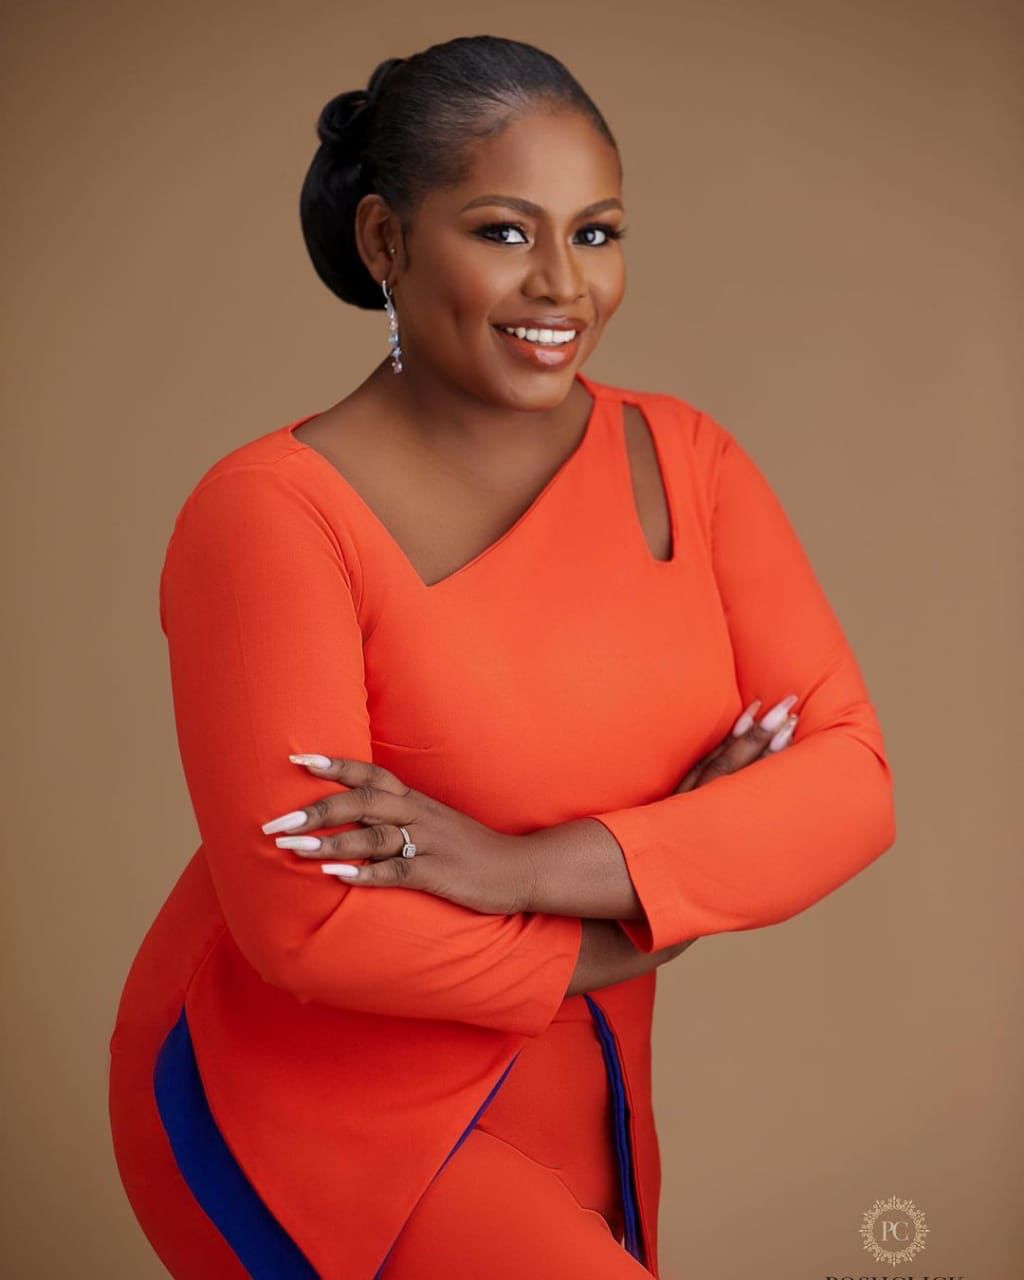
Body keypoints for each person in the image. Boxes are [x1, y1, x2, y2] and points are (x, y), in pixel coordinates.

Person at [108, 33, 896, 1280]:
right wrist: (644, 916)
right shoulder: (267, 512)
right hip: (308, 1102)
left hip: (584, 1076)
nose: (561, 285)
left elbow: (849, 781)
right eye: (503, 231)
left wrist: (518, 865)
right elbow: (310, 925)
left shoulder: (687, 460)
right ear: (385, 241)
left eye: (595, 233)